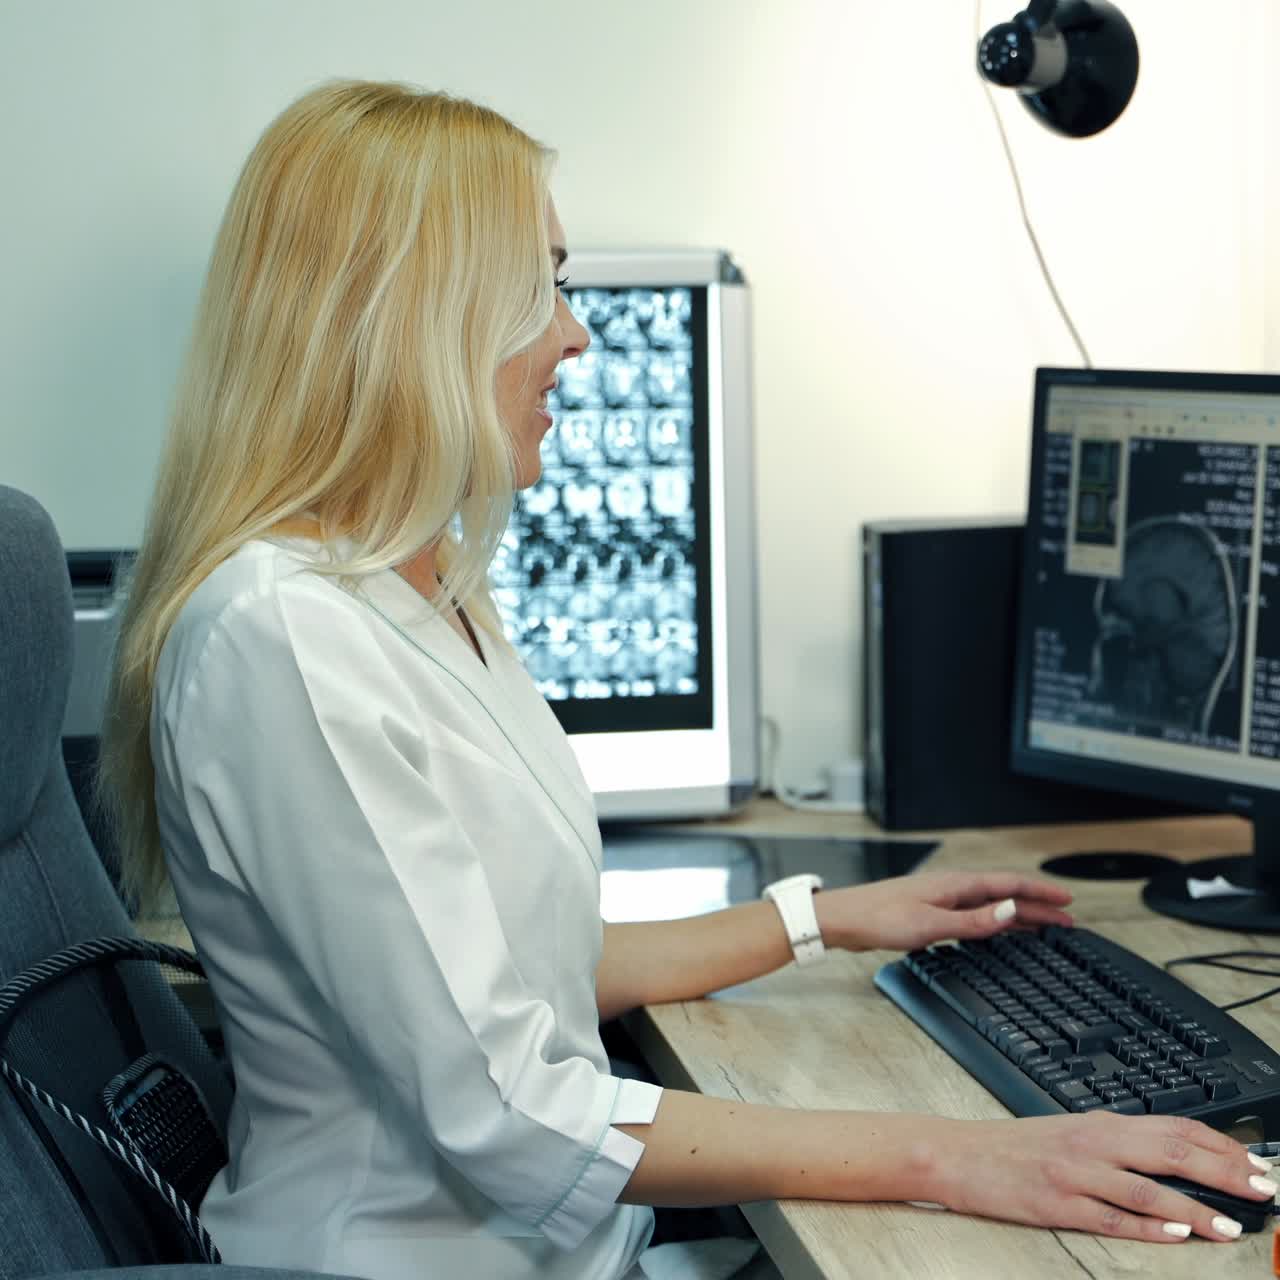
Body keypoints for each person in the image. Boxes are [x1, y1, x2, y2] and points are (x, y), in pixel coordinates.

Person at [98, 80, 1273, 1280]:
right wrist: (955, 1151)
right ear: (408, 312)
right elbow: (507, 1106)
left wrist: (820, 918)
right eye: (541, 284)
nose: (575, 334)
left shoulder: (417, 587)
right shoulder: (283, 637)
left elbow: (531, 966)